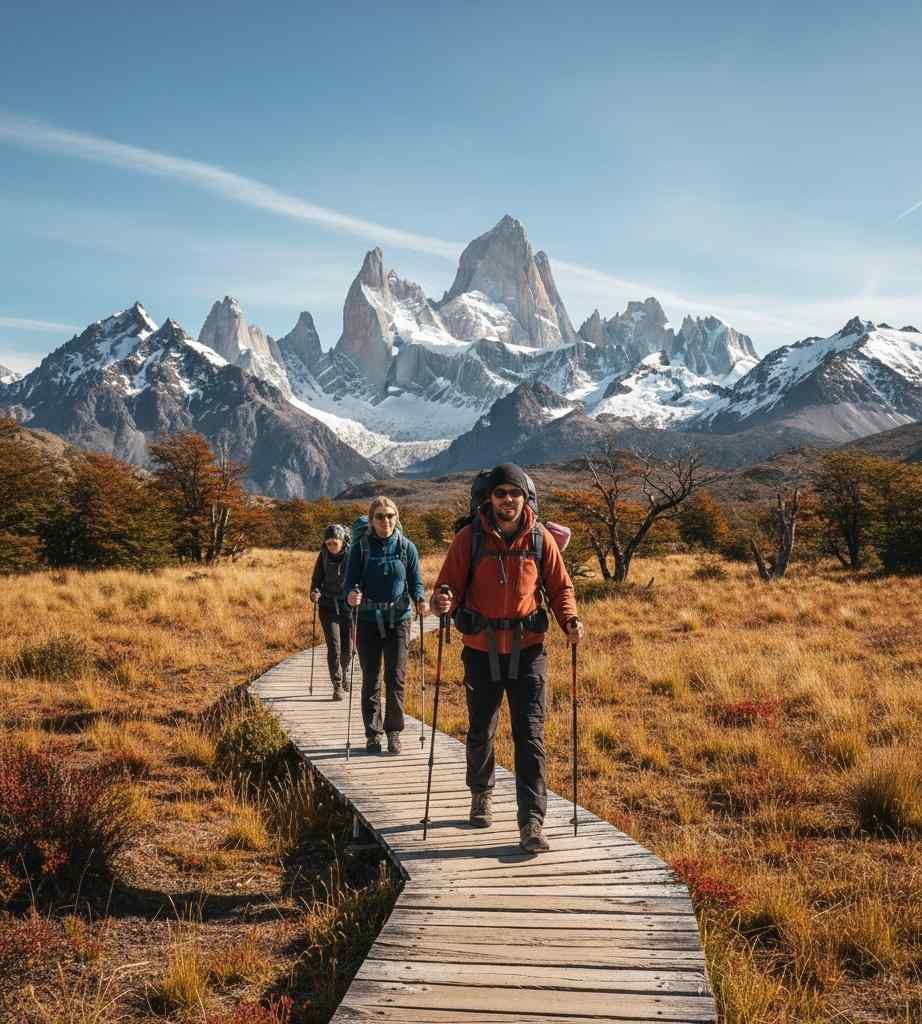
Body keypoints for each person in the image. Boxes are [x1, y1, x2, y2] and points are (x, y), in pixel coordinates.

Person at [431, 463, 584, 853]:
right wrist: (442, 600)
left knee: (529, 736)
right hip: (481, 651)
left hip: (529, 650)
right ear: (490, 499)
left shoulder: (539, 539)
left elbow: (561, 587)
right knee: (481, 729)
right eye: (500, 494)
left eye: (514, 493)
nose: (507, 500)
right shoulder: (469, 539)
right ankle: (481, 792)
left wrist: (570, 621)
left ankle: (531, 822)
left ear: (525, 497)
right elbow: (445, 586)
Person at [344, 496, 428, 755]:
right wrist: (351, 595)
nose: (385, 520)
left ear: (397, 517)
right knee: (371, 679)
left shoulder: (406, 548)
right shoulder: (360, 549)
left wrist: (421, 600)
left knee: (396, 678)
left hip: (399, 621)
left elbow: (415, 582)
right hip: (368, 622)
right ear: (371, 521)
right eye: (380, 516)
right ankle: (372, 734)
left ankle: (393, 732)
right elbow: (349, 583)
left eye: (390, 515)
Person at [309, 524, 353, 701]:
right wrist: (314, 592)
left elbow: (359, 579)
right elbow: (316, 579)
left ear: (343, 541)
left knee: (347, 649)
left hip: (348, 608)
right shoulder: (324, 556)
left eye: (334, 543)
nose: (331, 547)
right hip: (327, 607)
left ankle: (345, 672)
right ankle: (337, 685)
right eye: (328, 544)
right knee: (334, 647)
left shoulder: (352, 557)